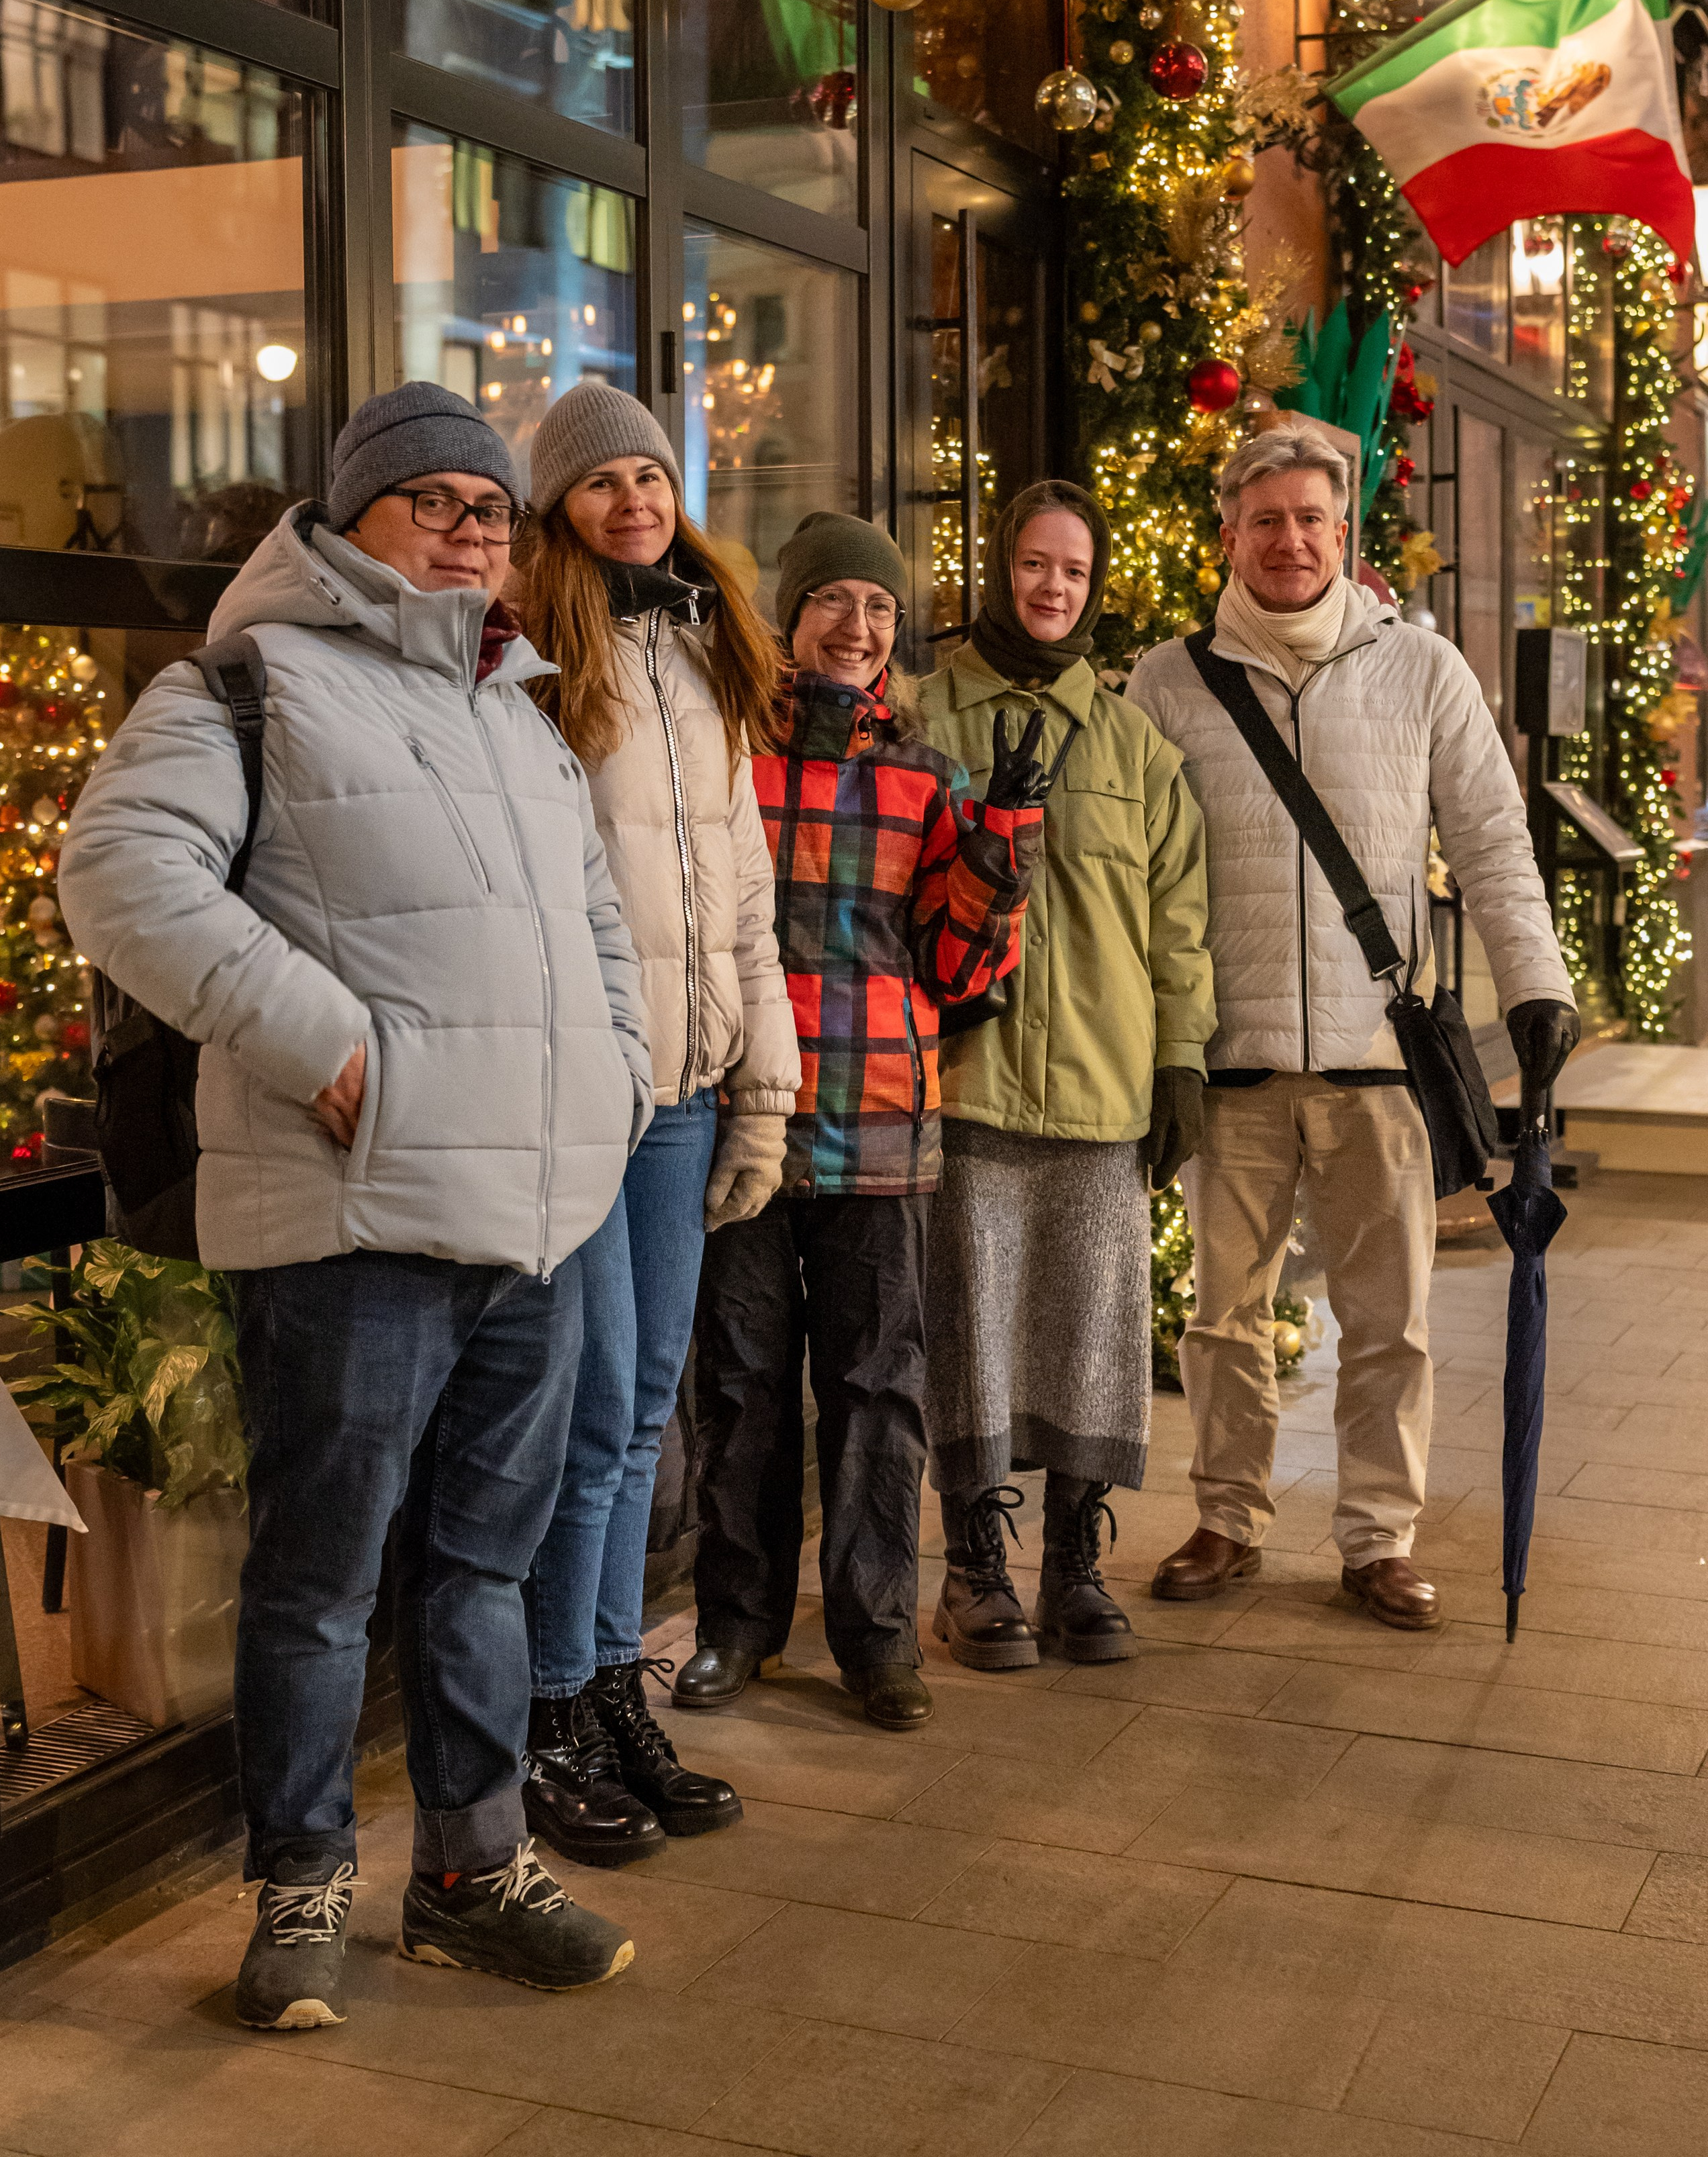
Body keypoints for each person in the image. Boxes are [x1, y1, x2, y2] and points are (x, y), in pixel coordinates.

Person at [58, 384, 655, 2031]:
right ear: (348, 520)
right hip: (351, 1221)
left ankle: (469, 1871)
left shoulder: (521, 710)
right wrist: (322, 1039)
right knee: (318, 1581)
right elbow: (117, 870)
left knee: (482, 1568)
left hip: (532, 1221)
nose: (473, 528)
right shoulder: (253, 681)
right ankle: (298, 1880)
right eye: (437, 501)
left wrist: (610, 1083)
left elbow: (598, 933)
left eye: (490, 505)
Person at [1131, 423, 1579, 1631]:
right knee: (1222, 1318)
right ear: (1228, 534)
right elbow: (1129, 873)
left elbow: (1491, 839)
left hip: (1380, 1055)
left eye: (1310, 520)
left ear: (1346, 535)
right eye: (1265, 520)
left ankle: (1380, 1536)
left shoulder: (1419, 671)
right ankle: (1229, 1514)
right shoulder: (1167, 682)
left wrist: (1537, 983)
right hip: (1228, 1062)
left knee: (1390, 1320)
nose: (1288, 541)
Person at [675, 513, 1053, 1729]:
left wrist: (1000, 841)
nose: (858, 625)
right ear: (791, 619)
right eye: (836, 601)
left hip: (884, 1126)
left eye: (881, 608)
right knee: (740, 1390)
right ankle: (737, 1626)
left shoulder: (928, 776)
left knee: (876, 1389)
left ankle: (877, 1635)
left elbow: (955, 965)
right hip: (747, 1119)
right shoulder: (728, 753)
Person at [515, 385, 800, 1868]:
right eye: (599, 479)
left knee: (639, 1413)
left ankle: (609, 1685)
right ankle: (548, 1706)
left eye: (649, 472)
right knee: (588, 1407)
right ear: (553, 503)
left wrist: (766, 1072)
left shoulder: (701, 643)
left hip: (686, 1089)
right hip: (584, 1094)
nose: (632, 497)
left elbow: (740, 889)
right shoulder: (533, 652)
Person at [918, 481, 1213, 1669]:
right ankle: (976, 1571)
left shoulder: (1134, 743)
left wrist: (1181, 1063)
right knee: (972, 1334)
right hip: (968, 1088)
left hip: (1102, 1092)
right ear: (1001, 570)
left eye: (1074, 574)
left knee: (1094, 1334)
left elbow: (1178, 922)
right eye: (1035, 565)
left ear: (1094, 590)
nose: (1052, 588)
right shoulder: (926, 710)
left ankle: (1078, 1565)